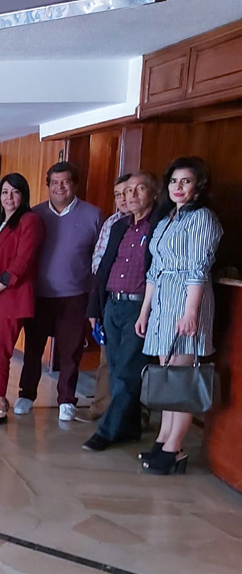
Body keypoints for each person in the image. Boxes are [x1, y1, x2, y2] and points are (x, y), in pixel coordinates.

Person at [135, 157, 223, 475]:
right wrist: (145, 311)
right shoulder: (167, 219)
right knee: (168, 377)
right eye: (174, 181)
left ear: (198, 186)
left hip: (187, 302)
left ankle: (175, 448)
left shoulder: (202, 218)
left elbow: (198, 268)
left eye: (186, 181)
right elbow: (154, 271)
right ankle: (163, 439)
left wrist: (190, 313)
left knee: (181, 380)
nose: (178, 187)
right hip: (163, 303)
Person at [16, 162, 102, 421]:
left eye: (65, 182)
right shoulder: (35, 214)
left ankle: (66, 399)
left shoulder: (93, 215)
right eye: (54, 182)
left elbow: (99, 256)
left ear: (74, 184)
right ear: (48, 186)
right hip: (39, 294)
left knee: (71, 352)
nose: (60, 187)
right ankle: (26, 394)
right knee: (33, 350)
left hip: (76, 295)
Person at [83, 171, 162, 451]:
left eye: (140, 189)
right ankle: (130, 427)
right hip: (112, 305)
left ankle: (106, 431)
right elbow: (104, 268)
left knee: (129, 372)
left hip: (140, 308)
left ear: (153, 193)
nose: (132, 195)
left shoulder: (160, 225)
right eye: (128, 190)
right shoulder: (119, 226)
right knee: (116, 371)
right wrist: (94, 307)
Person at [0, 174, 44, 424]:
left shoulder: (29, 220)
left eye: (15, 192)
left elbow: (22, 261)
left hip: (11, 296)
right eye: (5, 192)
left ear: (23, 195)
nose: (9, 197)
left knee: (0, 349)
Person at [86, 173, 134, 422]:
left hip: (136, 303)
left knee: (132, 363)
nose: (123, 199)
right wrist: (95, 307)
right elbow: (99, 264)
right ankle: (101, 409)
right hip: (109, 299)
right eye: (118, 194)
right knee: (107, 359)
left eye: (127, 192)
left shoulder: (151, 223)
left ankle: (130, 416)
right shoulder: (111, 223)